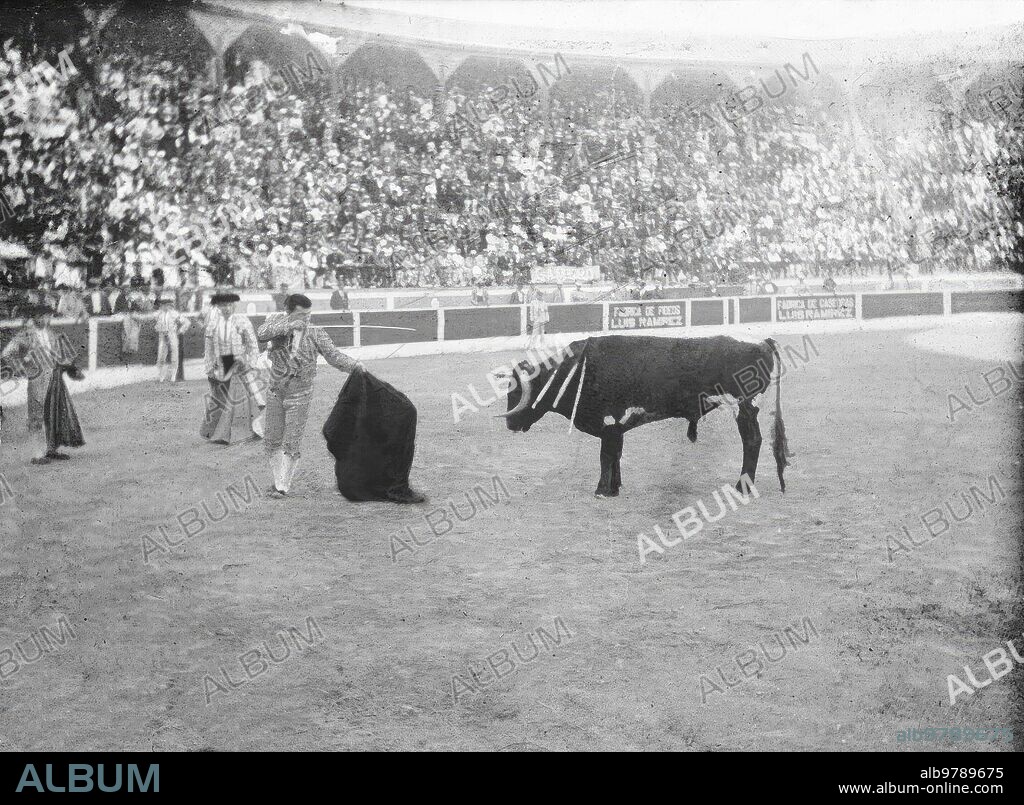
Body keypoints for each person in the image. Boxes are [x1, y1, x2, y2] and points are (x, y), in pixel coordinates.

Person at [257, 294, 362, 497]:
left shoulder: (315, 333)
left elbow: (334, 356)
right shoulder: (276, 324)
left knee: (291, 442)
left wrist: (354, 366)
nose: (305, 319)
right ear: (288, 312)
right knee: (271, 441)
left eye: (308, 314)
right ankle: (279, 480)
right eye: (300, 315)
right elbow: (262, 333)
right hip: (275, 391)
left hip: (300, 393)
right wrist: (288, 326)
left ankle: (282, 486)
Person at [1, 304, 85, 465]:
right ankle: (37, 453)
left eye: (47, 316)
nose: (45, 319)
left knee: (53, 414)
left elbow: (59, 356)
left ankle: (51, 449)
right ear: (34, 317)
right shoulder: (25, 335)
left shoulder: (51, 334)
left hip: (54, 377)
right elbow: (7, 354)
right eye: (41, 316)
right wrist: (21, 368)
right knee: (36, 414)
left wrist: (70, 367)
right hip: (37, 378)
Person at [201, 292, 264, 445]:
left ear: (234, 305)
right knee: (222, 397)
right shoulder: (213, 323)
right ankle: (220, 433)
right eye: (223, 305)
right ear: (218, 307)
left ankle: (249, 431)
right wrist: (209, 367)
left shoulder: (242, 320)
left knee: (242, 397)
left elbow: (252, 344)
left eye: (229, 305)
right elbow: (208, 348)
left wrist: (250, 361)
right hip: (223, 362)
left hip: (239, 361)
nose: (227, 308)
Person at [154, 297, 189, 384]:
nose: (164, 306)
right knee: (161, 356)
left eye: (166, 304)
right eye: (162, 304)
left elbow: (186, 322)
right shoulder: (158, 314)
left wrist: (180, 331)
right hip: (162, 335)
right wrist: (158, 329)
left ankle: (173, 376)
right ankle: (161, 376)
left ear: (169, 305)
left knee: (174, 355)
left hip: (172, 334)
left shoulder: (174, 314)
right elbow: (155, 324)